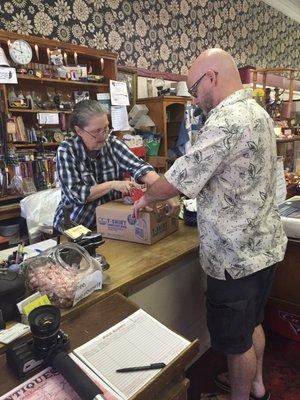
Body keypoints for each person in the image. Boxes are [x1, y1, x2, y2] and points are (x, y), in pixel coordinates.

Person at [133, 49, 287, 400]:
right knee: (252, 324)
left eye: (193, 89)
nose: (194, 98)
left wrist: (147, 197)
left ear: (212, 78)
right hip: (264, 247)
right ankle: (257, 387)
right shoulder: (258, 113)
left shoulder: (225, 120)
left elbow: (178, 178)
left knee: (235, 344)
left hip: (234, 258)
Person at [54, 99, 178, 233]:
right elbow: (77, 194)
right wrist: (112, 185)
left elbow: (141, 168)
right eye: (96, 131)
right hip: (74, 226)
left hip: (109, 222)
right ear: (79, 131)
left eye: (106, 128)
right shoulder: (67, 151)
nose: (103, 136)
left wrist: (166, 193)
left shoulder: (113, 144)